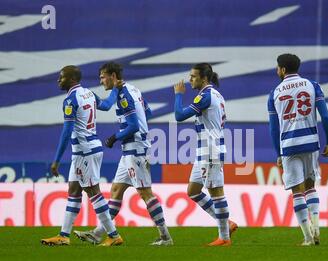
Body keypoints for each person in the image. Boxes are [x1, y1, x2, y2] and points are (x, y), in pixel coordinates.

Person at [73, 62, 173, 246]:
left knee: (145, 193)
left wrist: (115, 137)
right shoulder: (133, 90)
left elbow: (133, 125)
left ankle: (165, 237)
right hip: (130, 148)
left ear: (112, 76)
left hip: (136, 149)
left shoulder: (124, 95)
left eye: (103, 77)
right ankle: (98, 233)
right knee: (116, 190)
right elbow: (147, 111)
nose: (101, 80)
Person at [41, 65, 123, 247]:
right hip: (89, 149)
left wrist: (56, 160)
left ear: (71, 79)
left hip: (84, 151)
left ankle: (114, 235)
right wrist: (116, 89)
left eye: (61, 77)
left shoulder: (70, 100)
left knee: (93, 192)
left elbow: (66, 132)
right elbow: (107, 105)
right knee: (74, 191)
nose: (58, 80)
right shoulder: (89, 94)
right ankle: (63, 235)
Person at [268, 53, 328, 246]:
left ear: (283, 70)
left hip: (289, 145)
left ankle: (307, 237)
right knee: (311, 187)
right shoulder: (312, 86)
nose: (276, 70)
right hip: (311, 142)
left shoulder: (274, 93)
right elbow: (326, 117)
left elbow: (273, 128)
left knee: (297, 191)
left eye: (277, 67)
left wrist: (278, 153)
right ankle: (317, 229)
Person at [174, 63, 238, 247]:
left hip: (211, 150)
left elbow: (179, 115)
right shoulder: (215, 94)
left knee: (216, 192)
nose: (190, 79)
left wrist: (178, 94)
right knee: (193, 191)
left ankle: (224, 237)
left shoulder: (205, 96)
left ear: (204, 78)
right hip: (204, 150)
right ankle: (227, 223)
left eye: (193, 76)